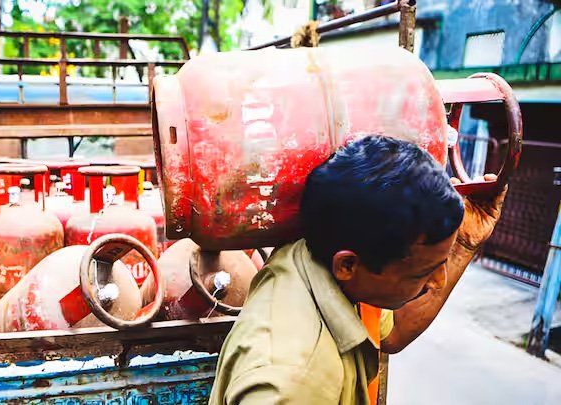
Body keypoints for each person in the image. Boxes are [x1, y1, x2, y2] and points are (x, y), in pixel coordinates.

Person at [208, 136, 507, 404]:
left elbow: (393, 332)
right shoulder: (294, 382)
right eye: (422, 273)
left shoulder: (322, 254)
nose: (438, 282)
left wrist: (464, 244)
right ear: (347, 265)